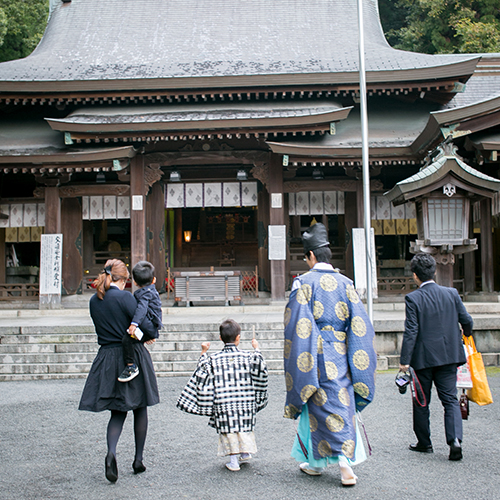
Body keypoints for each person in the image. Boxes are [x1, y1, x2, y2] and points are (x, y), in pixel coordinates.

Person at [284, 222, 376, 487]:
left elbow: (297, 325)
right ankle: (332, 463)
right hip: (343, 351)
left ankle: (333, 463)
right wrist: (356, 358)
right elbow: (360, 325)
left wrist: (301, 359)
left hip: (312, 351)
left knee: (314, 405)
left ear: (311, 256)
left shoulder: (302, 283)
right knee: (343, 405)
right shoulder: (347, 283)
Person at [78, 259, 160, 483]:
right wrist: (149, 334)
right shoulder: (125, 297)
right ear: (124, 279)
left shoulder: (95, 300)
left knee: (117, 410)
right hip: (131, 355)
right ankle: (138, 460)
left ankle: (112, 451)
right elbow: (145, 326)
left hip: (107, 356)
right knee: (140, 407)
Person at [399, 253, 473, 461]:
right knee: (450, 399)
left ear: (415, 275)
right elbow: (467, 320)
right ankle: (455, 440)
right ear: (434, 271)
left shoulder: (413, 298)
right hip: (449, 355)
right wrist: (466, 334)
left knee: (422, 401)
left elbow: (411, 330)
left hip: (423, 359)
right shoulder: (452, 293)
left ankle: (425, 442)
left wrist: (405, 360)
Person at [176, 319, 268, 472]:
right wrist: (256, 349)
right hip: (245, 400)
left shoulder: (214, 359)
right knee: (244, 425)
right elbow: (260, 369)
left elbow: (202, 372)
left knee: (229, 428)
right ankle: (245, 453)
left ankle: (234, 461)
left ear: (220, 338)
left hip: (224, 401)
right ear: (238, 337)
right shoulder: (248, 356)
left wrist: (203, 352)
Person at [118, 260, 163, 383]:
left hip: (148, 326)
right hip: (152, 327)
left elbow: (142, 309)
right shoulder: (152, 292)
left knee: (127, 340)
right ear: (154, 280)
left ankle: (131, 366)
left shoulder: (145, 294)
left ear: (134, 282)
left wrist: (134, 324)